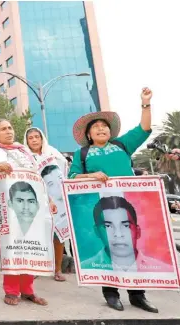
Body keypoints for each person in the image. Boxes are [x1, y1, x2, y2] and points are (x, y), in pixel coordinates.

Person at [68, 88, 156, 313]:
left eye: (104, 126)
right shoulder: (83, 154)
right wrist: (91, 175)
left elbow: (144, 128)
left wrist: (145, 103)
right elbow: (71, 177)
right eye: (95, 127)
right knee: (108, 248)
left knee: (131, 246)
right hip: (101, 209)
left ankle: (138, 295)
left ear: (111, 131)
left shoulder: (122, 145)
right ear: (88, 135)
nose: (101, 128)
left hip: (128, 206)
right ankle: (111, 292)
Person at [0, 118, 57, 308]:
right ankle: (12, 290)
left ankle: (28, 289)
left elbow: (37, 178)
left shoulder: (25, 152)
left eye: (10, 128)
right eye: (3, 129)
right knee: (12, 247)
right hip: (7, 207)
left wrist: (48, 199)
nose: (9, 131)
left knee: (31, 245)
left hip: (32, 207)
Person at [81, 196, 173, 273]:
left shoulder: (165, 271)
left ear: (138, 231)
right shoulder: (85, 268)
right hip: (106, 282)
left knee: (137, 293)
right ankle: (110, 291)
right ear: (97, 232)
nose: (118, 234)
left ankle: (136, 294)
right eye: (108, 226)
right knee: (110, 291)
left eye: (126, 226)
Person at [24, 127, 68, 282]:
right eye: (31, 138)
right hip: (37, 200)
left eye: (37, 137)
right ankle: (37, 267)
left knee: (58, 235)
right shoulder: (25, 157)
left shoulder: (54, 155)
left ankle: (57, 269)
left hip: (58, 201)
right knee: (38, 234)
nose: (34, 140)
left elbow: (65, 173)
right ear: (27, 141)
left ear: (42, 138)